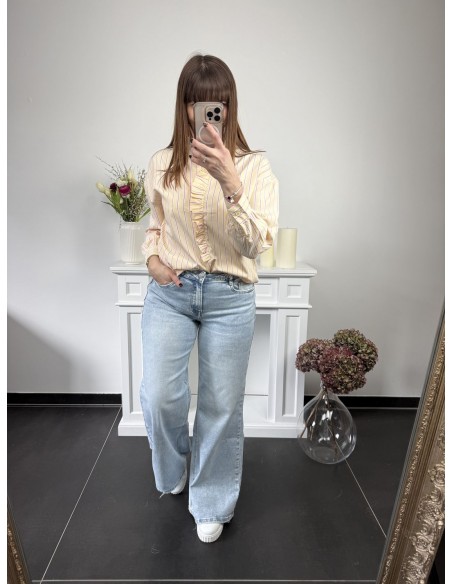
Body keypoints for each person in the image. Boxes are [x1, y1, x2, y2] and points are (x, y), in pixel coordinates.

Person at [140, 54, 279, 543]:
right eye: (198, 104)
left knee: (221, 405)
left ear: (229, 107)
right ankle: (178, 465)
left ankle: (211, 499)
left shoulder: (254, 167)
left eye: (217, 105)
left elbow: (257, 245)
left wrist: (230, 181)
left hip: (230, 295)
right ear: (184, 107)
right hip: (171, 292)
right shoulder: (161, 163)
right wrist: (152, 258)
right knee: (159, 396)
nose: (207, 114)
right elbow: (155, 224)